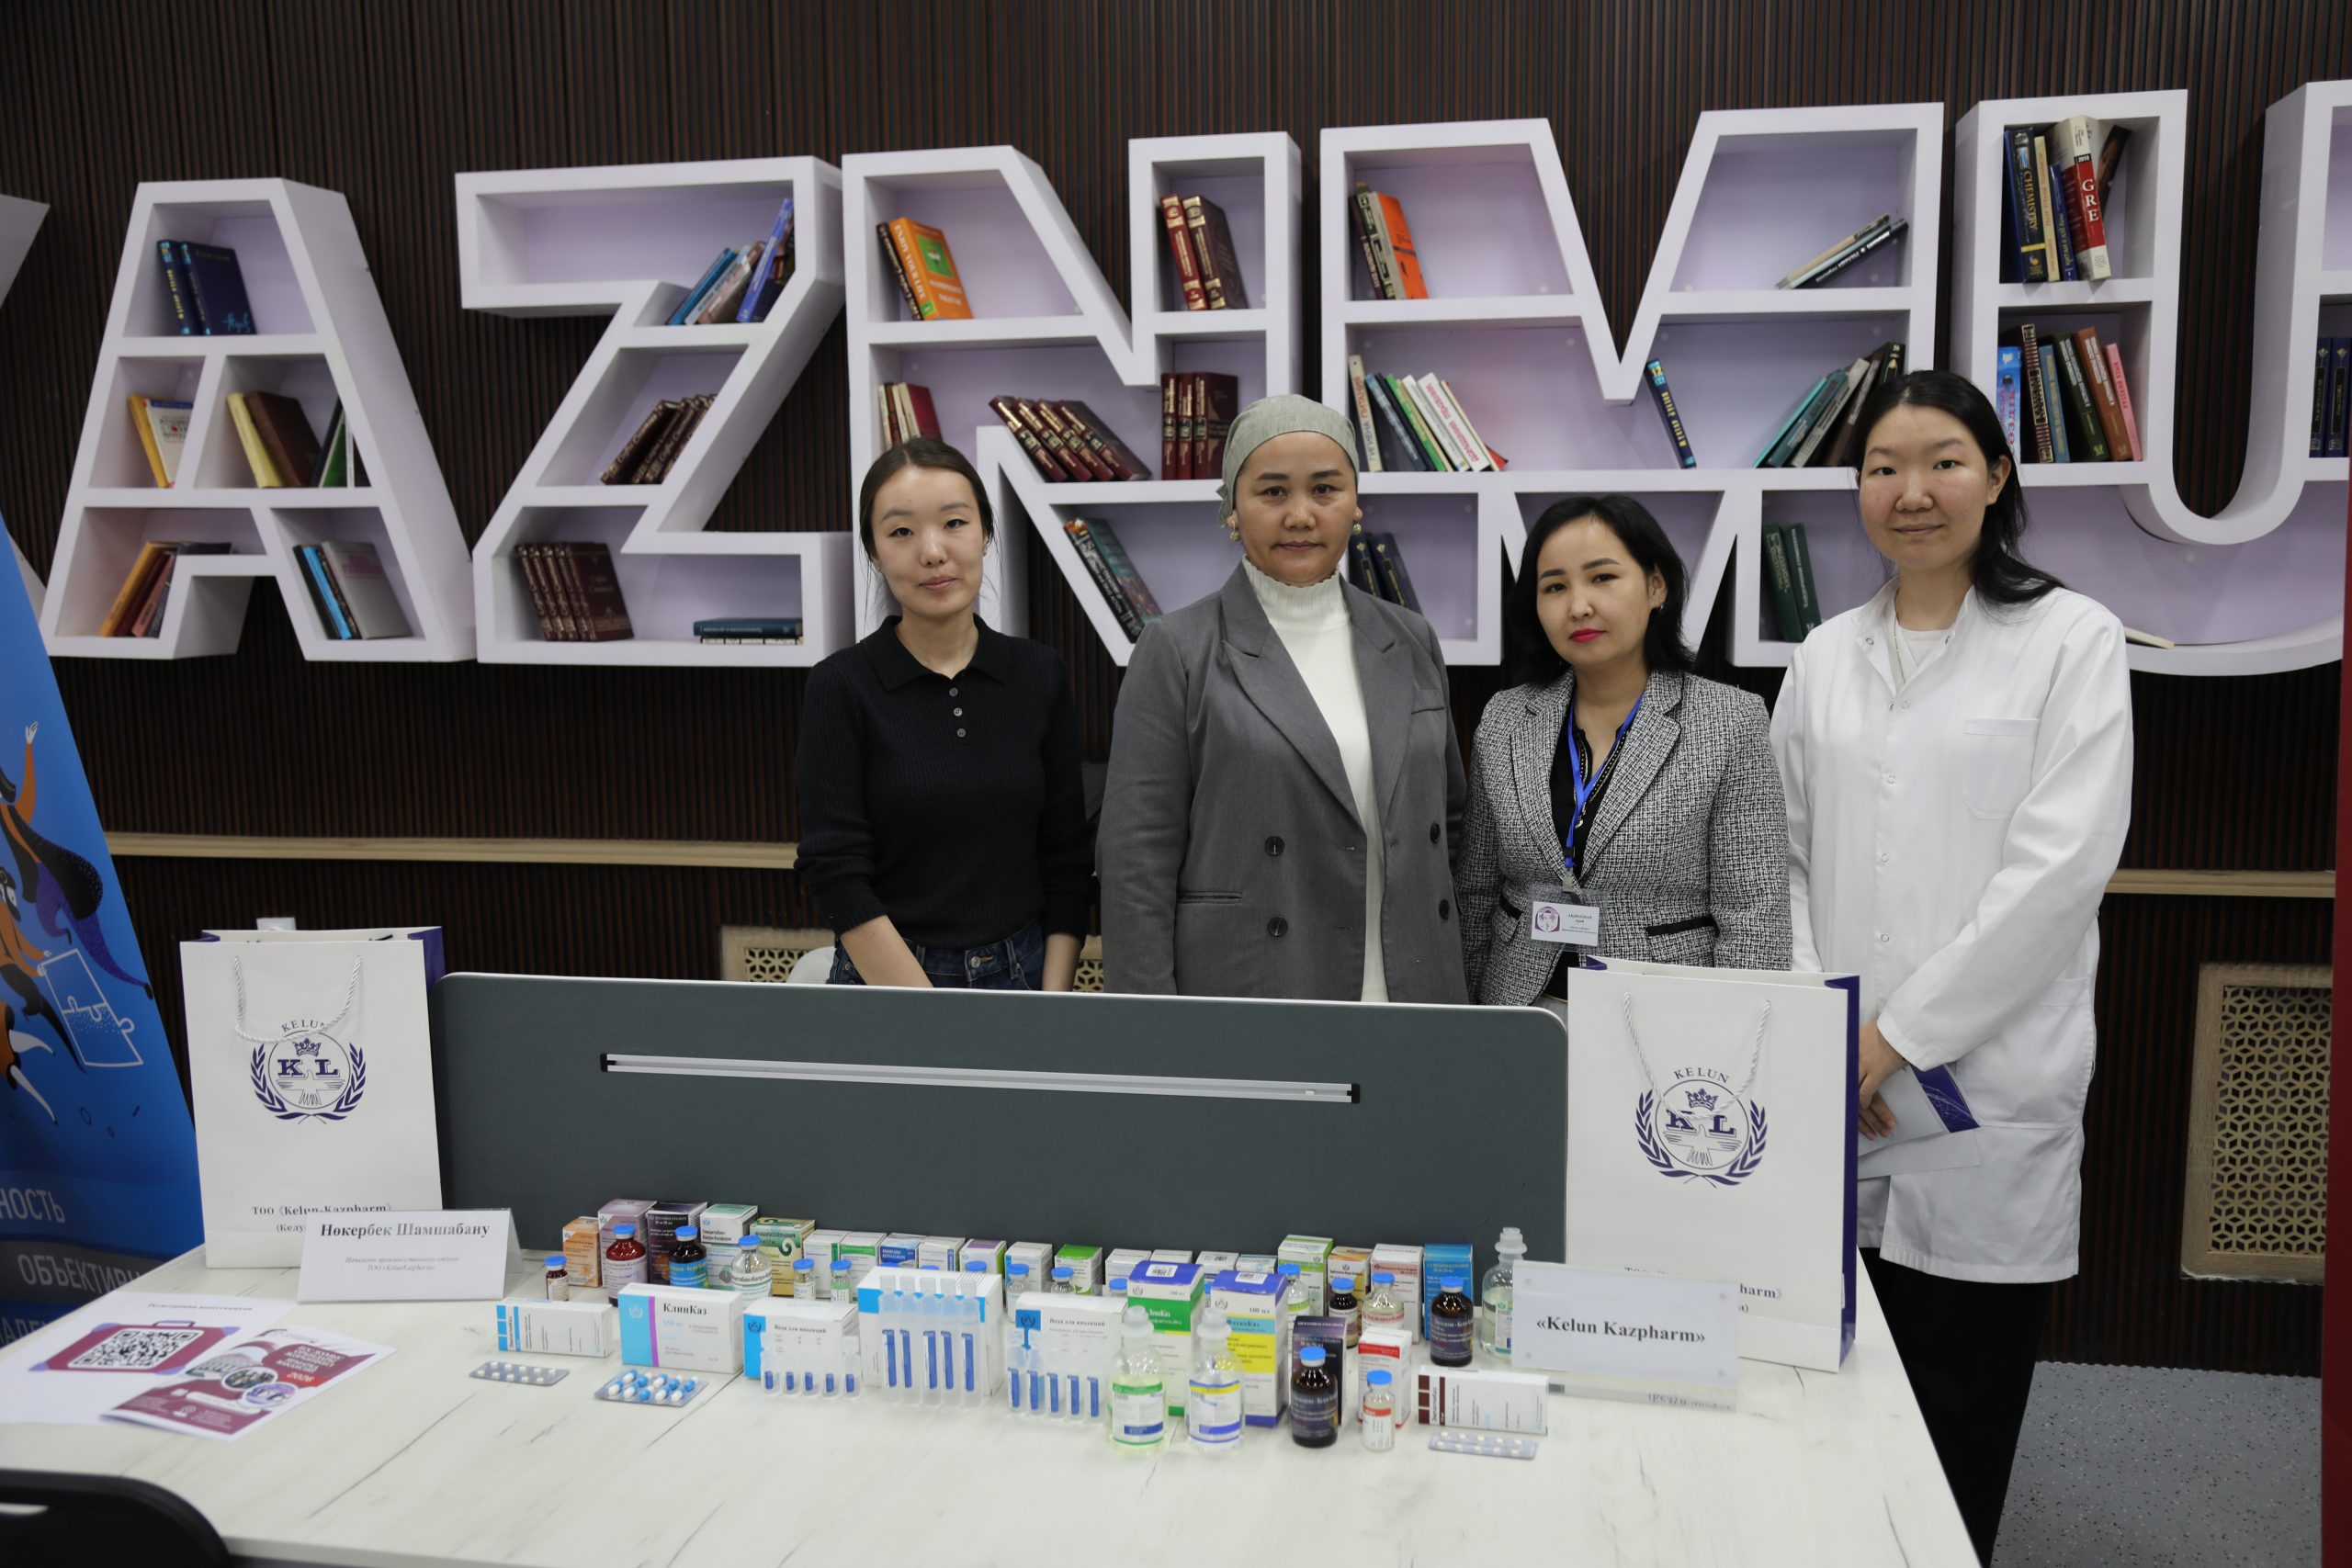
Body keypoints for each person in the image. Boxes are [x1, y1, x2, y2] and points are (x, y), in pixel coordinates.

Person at [1770, 368, 2132, 1565]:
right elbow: (1785, 857)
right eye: (1883, 467)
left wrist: (1893, 1039)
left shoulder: (2070, 639)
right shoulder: (1824, 654)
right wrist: (1827, 1030)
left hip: (1984, 1086)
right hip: (1839, 1083)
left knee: (1960, 1399)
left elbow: (2057, 872)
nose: (1910, 491)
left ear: (1997, 477)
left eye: (1942, 463)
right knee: (1825, 1392)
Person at [1098, 394, 1466, 1002]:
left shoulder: (1409, 637)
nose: (1300, 515)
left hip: (1416, 987)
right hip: (1257, 991)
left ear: (1355, 503)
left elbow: (1449, 823)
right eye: (1272, 492)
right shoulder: (1178, 649)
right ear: (1232, 509)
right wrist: (1150, 1032)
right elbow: (1137, 862)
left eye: (1325, 489)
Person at [1457, 495, 1789, 1010]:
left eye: (1603, 578)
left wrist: (1730, 1038)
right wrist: (1472, 1019)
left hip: (1663, 1019)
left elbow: (1755, 916)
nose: (1578, 606)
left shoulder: (1730, 721)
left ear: (1656, 586)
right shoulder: (1505, 718)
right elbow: (1475, 891)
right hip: (1519, 1011)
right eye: (1555, 587)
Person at [796, 438, 1090, 990]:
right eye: (901, 532)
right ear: (874, 551)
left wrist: (1053, 1006)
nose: (932, 552)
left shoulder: (1039, 674)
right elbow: (834, 868)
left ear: (985, 533)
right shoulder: (841, 685)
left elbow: (1066, 856)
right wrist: (930, 1016)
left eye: (954, 523)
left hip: (1024, 976)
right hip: (887, 985)